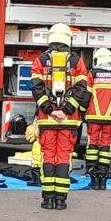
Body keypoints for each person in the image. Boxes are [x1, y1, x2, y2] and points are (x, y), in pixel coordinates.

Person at [30, 23, 90, 210]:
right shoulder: (76, 61)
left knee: (48, 156)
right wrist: (66, 110)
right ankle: (61, 200)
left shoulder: (40, 60)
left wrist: (49, 110)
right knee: (64, 157)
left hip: (47, 119)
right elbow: (82, 90)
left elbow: (36, 89)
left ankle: (47, 199)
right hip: (68, 121)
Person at [84, 48, 111, 190]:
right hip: (110, 117)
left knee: (92, 143)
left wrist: (82, 111)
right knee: (105, 145)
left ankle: (91, 173)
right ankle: (103, 175)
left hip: (93, 116)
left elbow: (86, 96)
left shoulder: (92, 74)